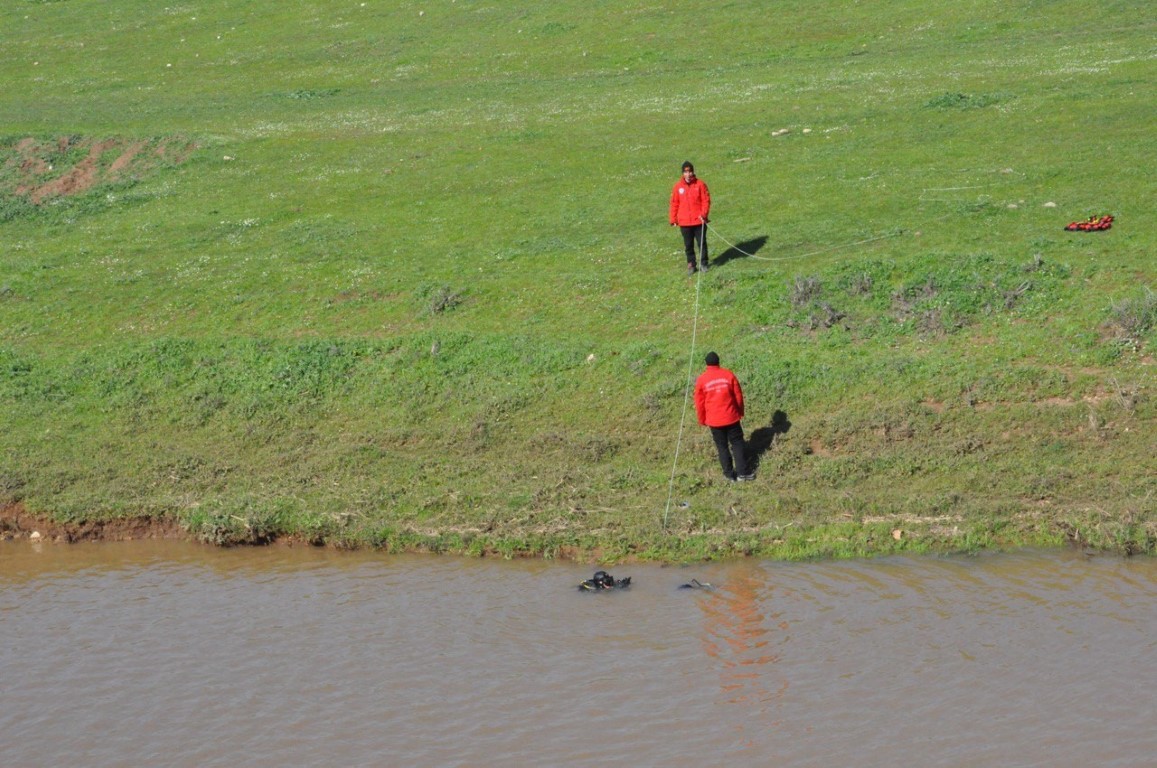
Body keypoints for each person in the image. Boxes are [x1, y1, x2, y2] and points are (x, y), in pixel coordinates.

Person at [694, 351, 754, 482]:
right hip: (731, 417)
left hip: (714, 421)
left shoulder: (702, 380)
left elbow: (699, 403)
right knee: (737, 443)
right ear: (718, 361)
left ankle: (729, 475)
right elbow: (738, 396)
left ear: (706, 364)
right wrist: (740, 411)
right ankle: (742, 473)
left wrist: (702, 419)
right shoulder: (728, 375)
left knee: (722, 447)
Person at [669, 160, 711, 276]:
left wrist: (704, 215)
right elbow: (674, 203)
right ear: (683, 173)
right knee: (688, 245)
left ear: (693, 172)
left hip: (699, 221)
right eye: (686, 172)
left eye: (690, 171)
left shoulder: (700, 184)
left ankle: (704, 263)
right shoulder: (677, 187)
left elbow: (706, 201)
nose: (688, 174)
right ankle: (691, 264)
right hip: (684, 222)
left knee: (702, 243)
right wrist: (673, 219)